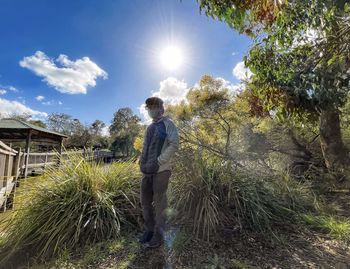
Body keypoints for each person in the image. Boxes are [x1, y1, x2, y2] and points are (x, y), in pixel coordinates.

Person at [138, 96, 179, 248]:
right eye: (149, 107)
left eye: (154, 106)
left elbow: (174, 144)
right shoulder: (149, 127)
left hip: (162, 170)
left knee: (160, 203)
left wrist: (159, 161)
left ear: (161, 108)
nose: (151, 110)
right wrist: (142, 163)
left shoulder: (168, 124)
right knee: (145, 202)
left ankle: (158, 233)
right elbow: (145, 147)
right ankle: (149, 230)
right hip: (147, 171)